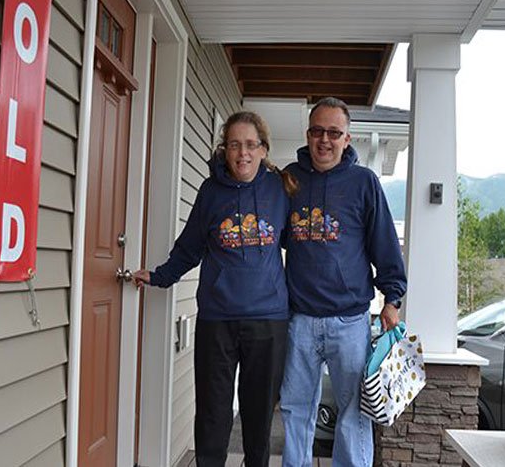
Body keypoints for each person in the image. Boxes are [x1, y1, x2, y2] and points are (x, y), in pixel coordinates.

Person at [133, 111, 297, 467]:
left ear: (264, 149)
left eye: (251, 145)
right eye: (235, 145)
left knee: (258, 420)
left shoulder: (279, 188)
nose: (243, 153)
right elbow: (190, 246)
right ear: (225, 149)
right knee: (212, 414)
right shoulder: (210, 192)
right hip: (217, 320)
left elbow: (297, 244)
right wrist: (160, 275)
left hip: (268, 321)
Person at [280, 97, 407, 467]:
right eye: (318, 131)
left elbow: (384, 244)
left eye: (334, 133)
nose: (325, 140)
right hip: (299, 319)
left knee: (354, 414)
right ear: (308, 134)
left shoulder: (364, 183)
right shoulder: (290, 180)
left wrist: (393, 298)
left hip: (349, 321)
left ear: (347, 138)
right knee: (295, 409)